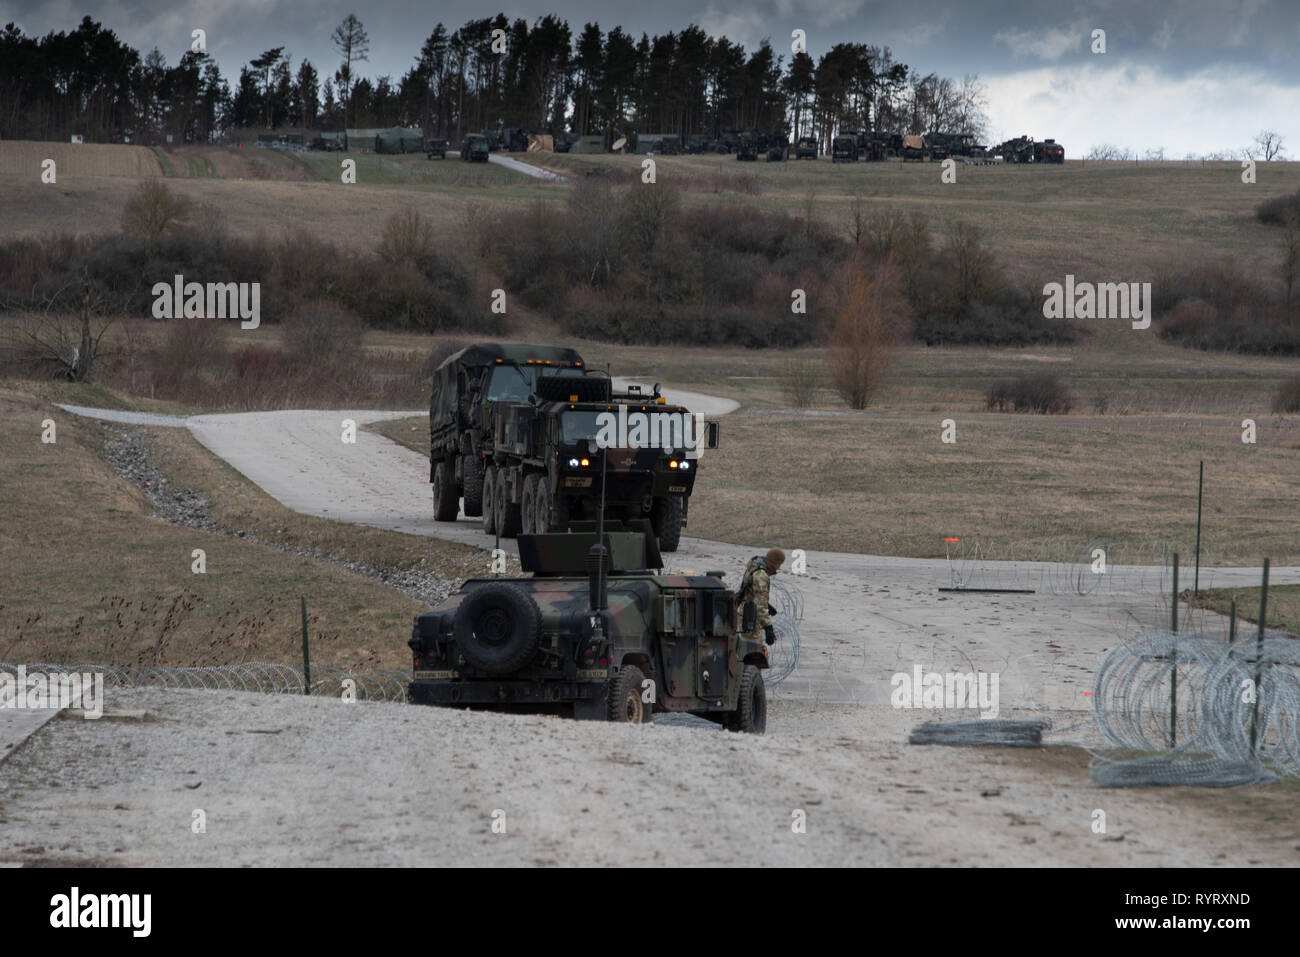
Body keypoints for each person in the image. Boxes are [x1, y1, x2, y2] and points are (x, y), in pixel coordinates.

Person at [736, 547, 783, 649]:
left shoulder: (755, 566)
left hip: (745, 611)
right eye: (779, 564)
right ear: (774, 562)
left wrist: (768, 605)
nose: (779, 568)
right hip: (750, 617)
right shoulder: (761, 575)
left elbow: (751, 591)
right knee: (753, 650)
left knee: (746, 648)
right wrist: (768, 627)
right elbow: (760, 606)